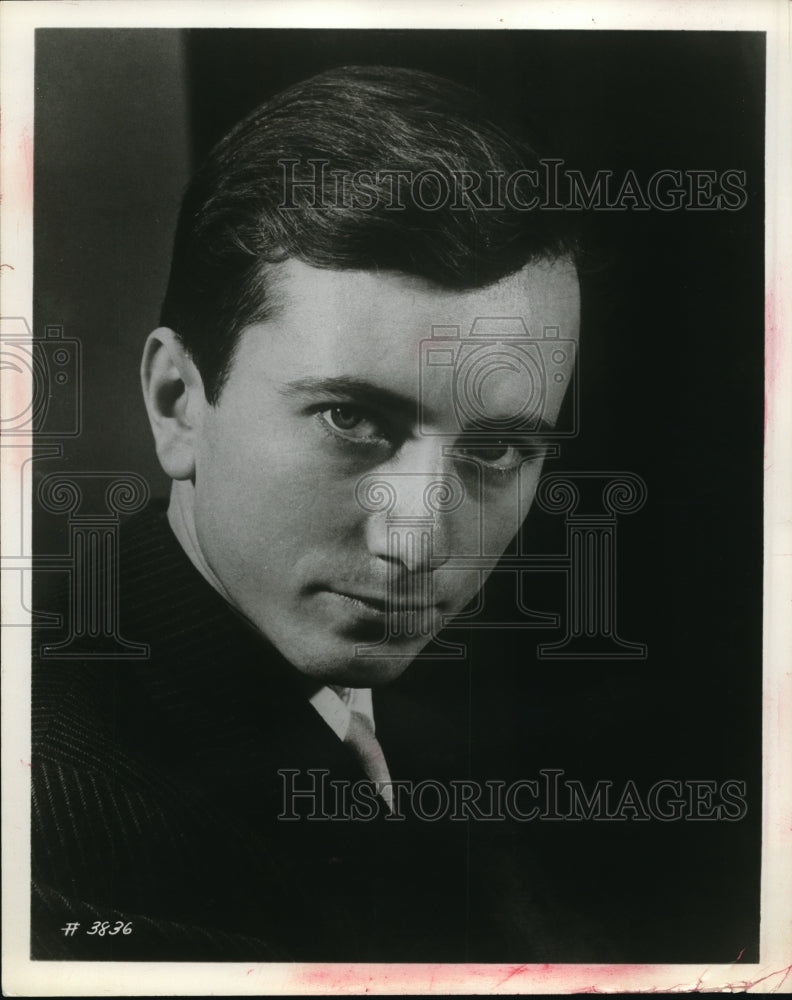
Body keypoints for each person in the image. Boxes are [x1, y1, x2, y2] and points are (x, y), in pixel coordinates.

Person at [32, 65, 589, 961]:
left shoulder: (429, 720)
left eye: (493, 450)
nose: (415, 539)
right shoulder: (53, 815)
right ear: (179, 402)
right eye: (353, 420)